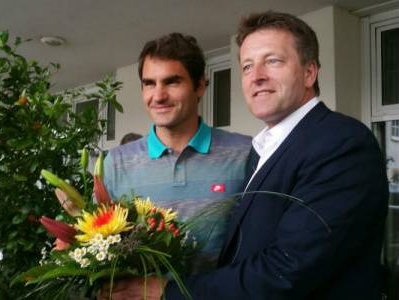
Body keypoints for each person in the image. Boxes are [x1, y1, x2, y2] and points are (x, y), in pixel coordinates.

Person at [105, 11, 389, 300]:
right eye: (247, 66)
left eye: (273, 61)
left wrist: (167, 292)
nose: (257, 77)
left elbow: (287, 270)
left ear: (309, 72)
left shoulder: (339, 143)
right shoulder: (268, 148)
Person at [103, 33, 252, 275]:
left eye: (172, 82)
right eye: (149, 83)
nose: (159, 96)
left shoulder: (245, 153)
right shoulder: (116, 163)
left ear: (200, 86)